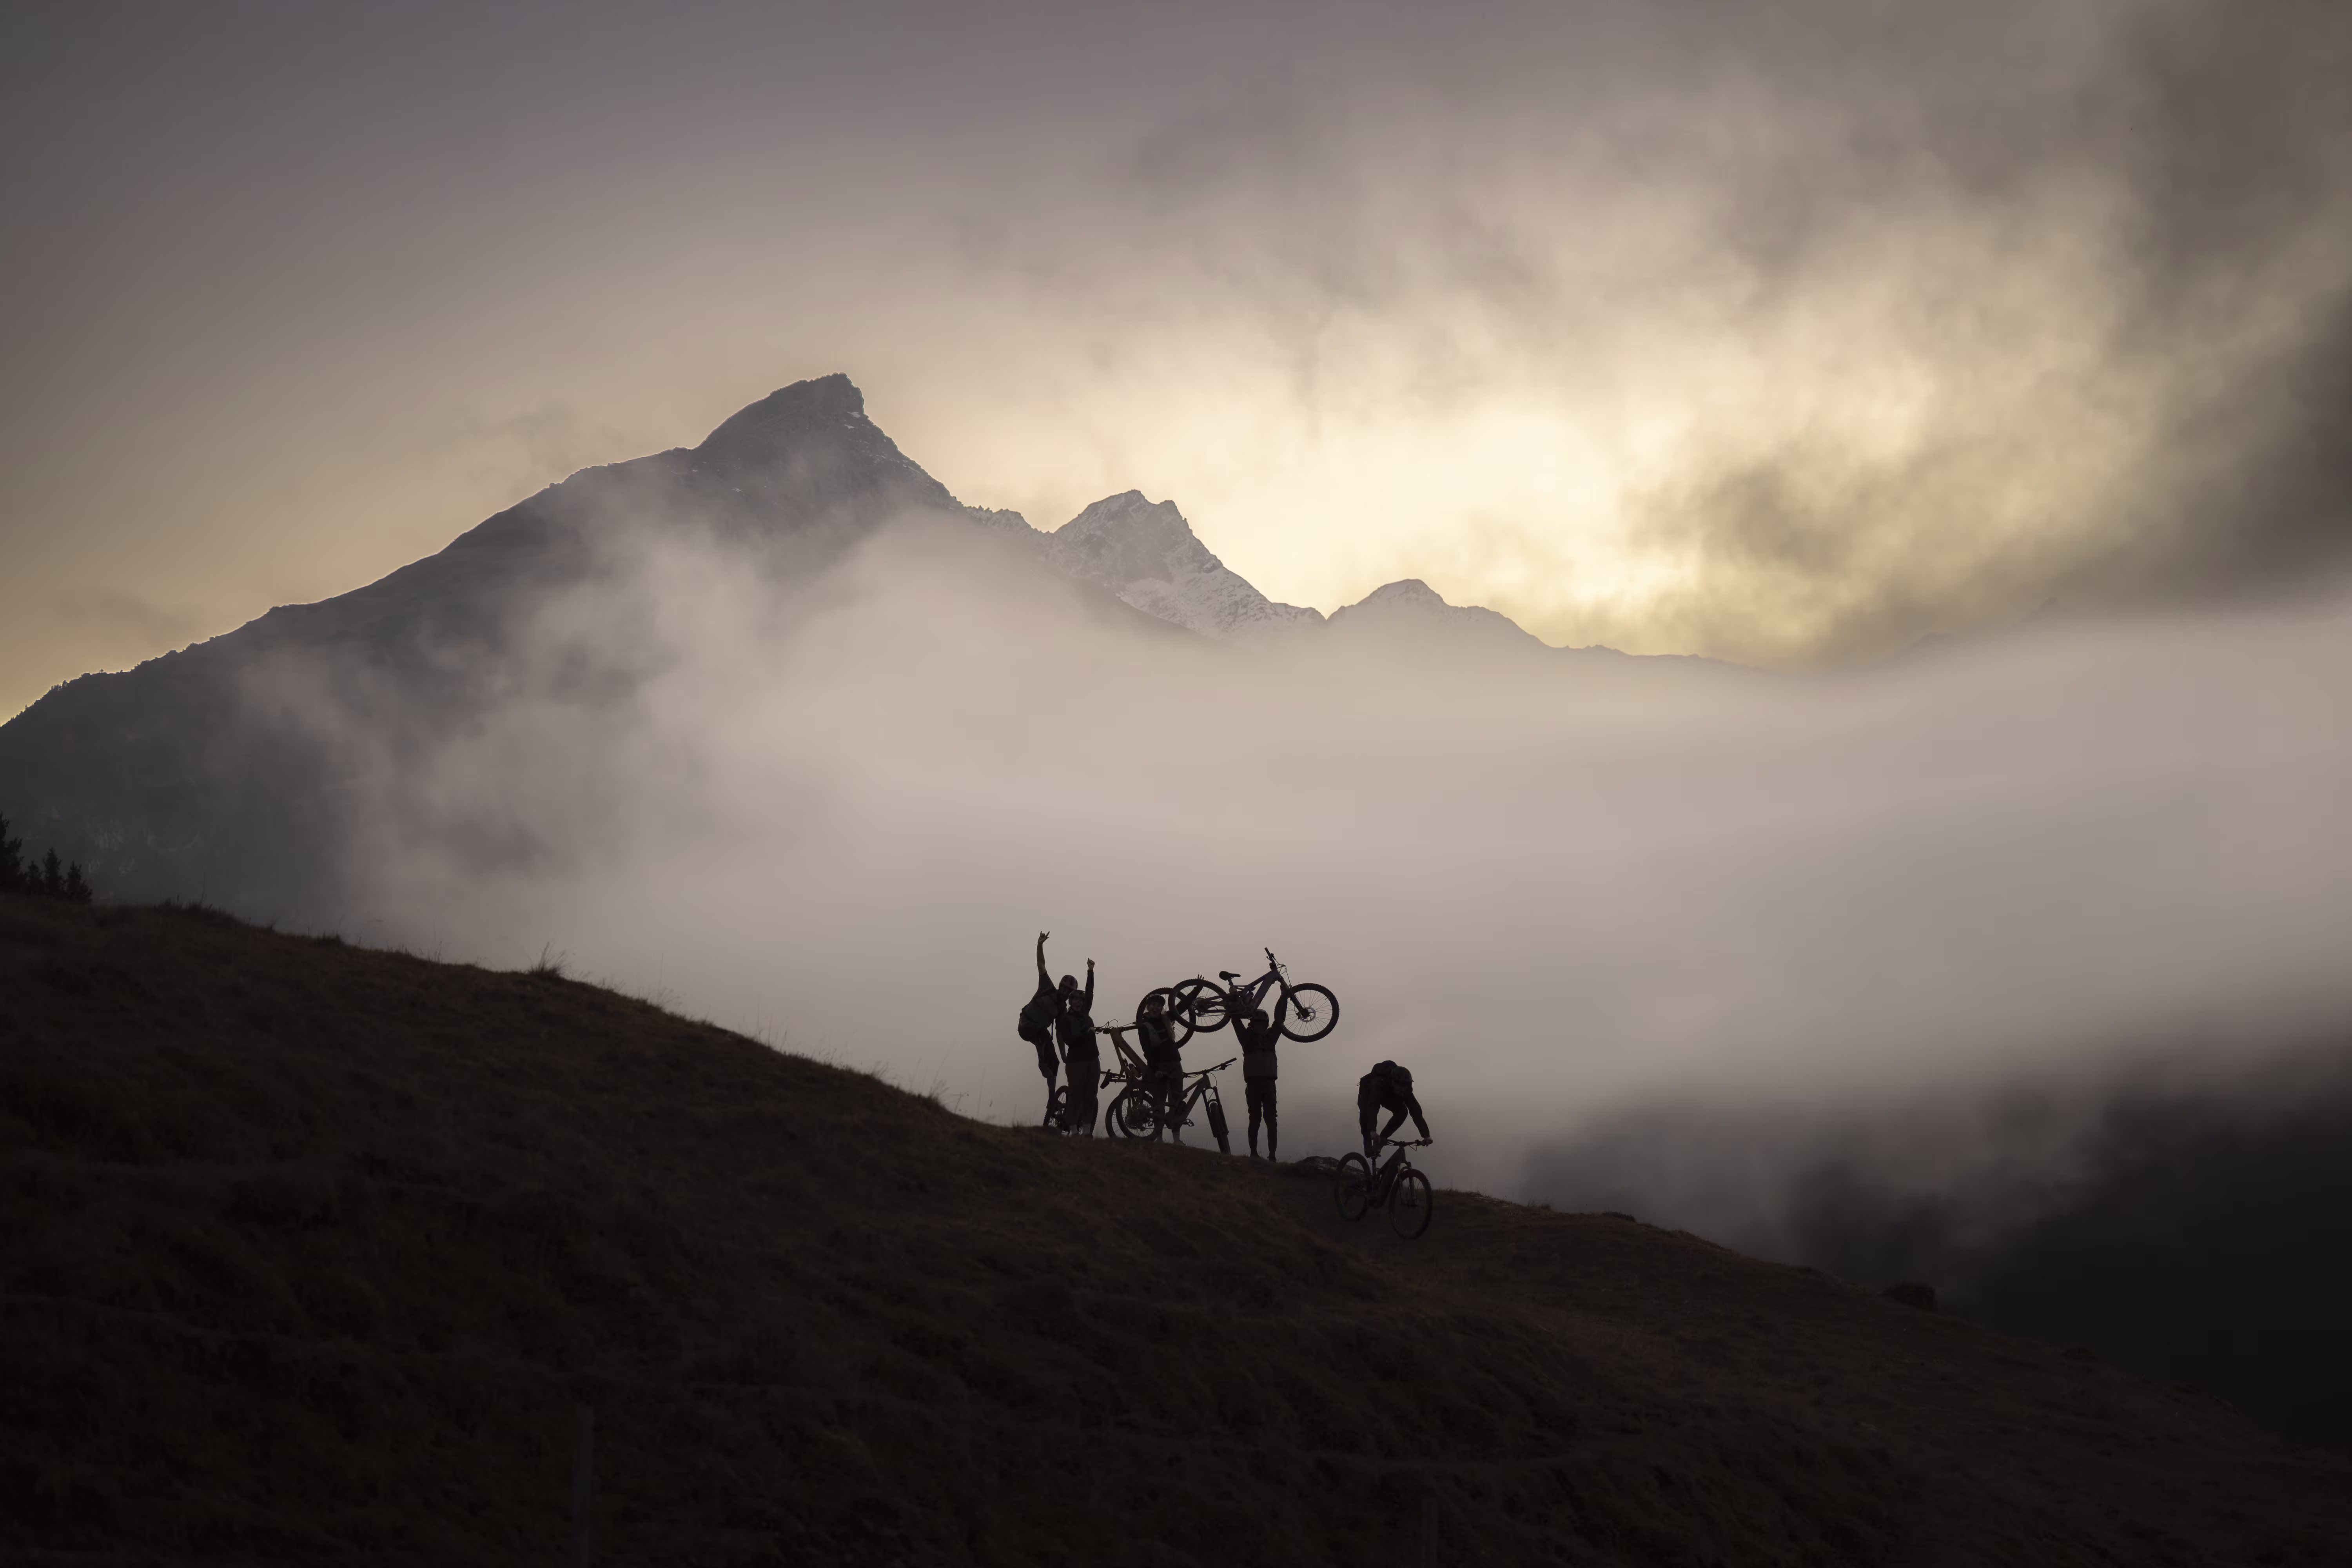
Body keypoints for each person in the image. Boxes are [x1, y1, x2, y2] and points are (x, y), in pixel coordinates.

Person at [1233, 991, 1289, 1159]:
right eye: (1258, 1024)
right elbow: (1235, 1019)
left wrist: (1284, 997)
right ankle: (1254, 1154)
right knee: (1256, 1119)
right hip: (1254, 1083)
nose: (1260, 1027)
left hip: (1269, 1083)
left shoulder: (1271, 1037)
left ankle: (1272, 1155)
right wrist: (1235, 999)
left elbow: (1280, 1020)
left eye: (1263, 1024)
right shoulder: (1246, 1038)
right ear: (1252, 1024)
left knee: (1271, 1120)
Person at [1016, 932, 1063, 1123]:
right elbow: (1041, 965)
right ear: (1061, 988)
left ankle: (1052, 1098)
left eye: (1069, 992)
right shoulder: (1048, 987)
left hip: (1039, 1034)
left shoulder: (1063, 1010)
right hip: (1026, 1026)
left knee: (1055, 1063)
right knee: (1042, 1035)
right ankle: (1041, 1062)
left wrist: (1064, 1055)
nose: (1066, 994)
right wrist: (1040, 945)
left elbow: (1061, 1034)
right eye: (1065, 989)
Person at [1056, 957, 1100, 1135]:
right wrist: (1087, 1034)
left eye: (1081, 1001)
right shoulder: (1065, 1019)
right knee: (1076, 1098)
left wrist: (1090, 971)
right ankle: (1074, 1132)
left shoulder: (1086, 1013)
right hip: (1076, 1063)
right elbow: (1070, 1041)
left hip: (1093, 1060)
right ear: (1070, 1002)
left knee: (1090, 1097)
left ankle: (1087, 1133)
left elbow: (1090, 993)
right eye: (1075, 1000)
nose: (1079, 1003)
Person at [1136, 990, 1187, 1142]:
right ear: (1148, 1007)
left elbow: (1182, 1007)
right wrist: (1156, 1069)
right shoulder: (1144, 1027)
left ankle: (1176, 1140)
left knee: (1176, 1101)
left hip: (1175, 1064)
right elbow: (1147, 1050)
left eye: (1159, 1005)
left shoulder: (1168, 1018)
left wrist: (1197, 988)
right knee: (1159, 1102)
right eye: (1153, 1005)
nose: (1156, 1008)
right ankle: (1159, 1138)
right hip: (1157, 1066)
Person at [1357, 1060, 1430, 1158]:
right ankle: (1367, 1141)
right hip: (1368, 1091)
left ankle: (1381, 1140)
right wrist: (1372, 1130)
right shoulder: (1380, 1084)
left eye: (1404, 1087)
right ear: (1393, 1081)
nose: (1402, 1089)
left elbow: (1416, 1111)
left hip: (1389, 1095)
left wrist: (1426, 1135)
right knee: (1366, 1112)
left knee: (1403, 1112)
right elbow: (1373, 1107)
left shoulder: (1406, 1089)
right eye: (1399, 1086)